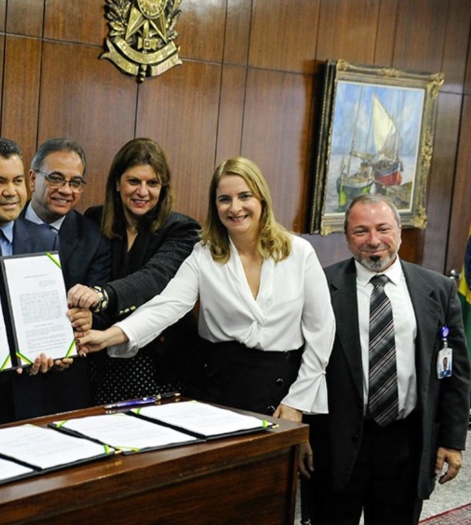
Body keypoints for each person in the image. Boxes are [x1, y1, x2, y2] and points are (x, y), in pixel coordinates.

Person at [74, 156, 335, 423]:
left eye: (245, 196)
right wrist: (108, 337)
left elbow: (321, 332)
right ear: (215, 205)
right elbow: (166, 306)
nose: (235, 208)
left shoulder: (298, 252)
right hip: (216, 389)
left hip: (282, 394)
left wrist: (298, 400)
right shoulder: (205, 254)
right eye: (224, 199)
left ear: (262, 199)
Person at [304, 194, 470, 525]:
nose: (373, 240)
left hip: (406, 445)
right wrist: (300, 433)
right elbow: (301, 363)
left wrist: (452, 441)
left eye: (383, 229)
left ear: (400, 231)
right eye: (360, 231)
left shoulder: (437, 289)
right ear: (347, 237)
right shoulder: (320, 285)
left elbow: (455, 372)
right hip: (336, 441)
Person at [67, 137, 201, 405]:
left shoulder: (182, 229)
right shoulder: (94, 219)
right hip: (98, 357)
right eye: (134, 181)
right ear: (117, 183)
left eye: (152, 183)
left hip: (158, 364)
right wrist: (84, 316)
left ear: (163, 188)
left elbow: (153, 279)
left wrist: (101, 296)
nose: (143, 191)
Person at [0, 136, 69, 431]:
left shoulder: (46, 239)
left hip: (26, 399)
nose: (11, 192)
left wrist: (59, 349)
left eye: (18, 181)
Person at [21, 137, 111, 413]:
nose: (66, 190)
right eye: (56, 178)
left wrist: (88, 318)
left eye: (76, 182)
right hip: (6, 381)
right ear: (32, 178)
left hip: (67, 380)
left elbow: (104, 309)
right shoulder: (1, 225)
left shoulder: (94, 237)